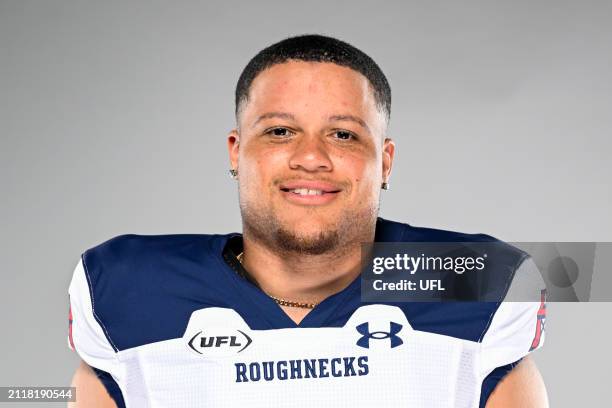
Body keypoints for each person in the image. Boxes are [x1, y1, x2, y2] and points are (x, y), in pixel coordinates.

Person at [68, 34, 548, 407]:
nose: (311, 157)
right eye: (280, 131)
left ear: (384, 161)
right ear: (237, 152)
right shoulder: (128, 290)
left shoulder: (473, 278)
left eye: (342, 134)